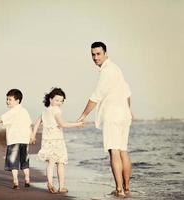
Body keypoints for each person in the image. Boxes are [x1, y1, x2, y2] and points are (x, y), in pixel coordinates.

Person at [77, 42, 133, 197]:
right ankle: (127, 188)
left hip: (113, 114)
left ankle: (120, 190)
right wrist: (128, 110)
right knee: (123, 151)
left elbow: (96, 95)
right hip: (124, 114)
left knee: (114, 151)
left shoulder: (107, 71)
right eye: (93, 55)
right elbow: (128, 92)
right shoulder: (116, 68)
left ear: (105, 53)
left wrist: (83, 115)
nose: (95, 57)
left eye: (98, 54)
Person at [30, 88, 84, 194]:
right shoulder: (56, 110)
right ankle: (62, 186)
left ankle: (50, 183)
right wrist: (77, 124)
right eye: (57, 100)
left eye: (61, 101)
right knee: (60, 163)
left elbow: (37, 123)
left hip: (47, 140)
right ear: (50, 99)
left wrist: (33, 135)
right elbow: (62, 124)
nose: (59, 103)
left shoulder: (45, 110)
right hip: (57, 140)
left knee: (50, 163)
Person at [0, 89, 32, 189]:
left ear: (17, 101)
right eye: (7, 99)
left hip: (14, 140)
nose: (7, 101)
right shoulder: (25, 111)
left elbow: (0, 120)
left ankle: (16, 182)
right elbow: (29, 125)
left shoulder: (12, 112)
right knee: (24, 161)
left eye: (10, 99)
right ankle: (27, 180)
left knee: (13, 162)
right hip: (24, 141)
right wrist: (31, 136)